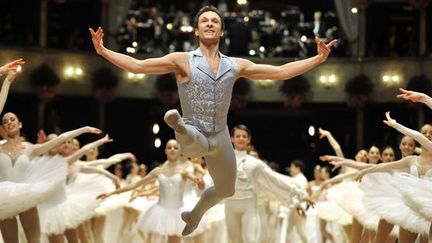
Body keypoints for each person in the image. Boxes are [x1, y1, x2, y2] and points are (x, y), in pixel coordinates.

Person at [89, 5, 336, 235]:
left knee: (226, 189)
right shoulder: (182, 60)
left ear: (221, 30)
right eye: (204, 21)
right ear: (196, 30)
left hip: (220, 135)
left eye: (215, 21)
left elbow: (280, 72)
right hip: (193, 132)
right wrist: (103, 51)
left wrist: (317, 59)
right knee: (195, 140)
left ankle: (194, 215)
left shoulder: (234, 65)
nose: (209, 24)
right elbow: (138, 66)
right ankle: (178, 124)